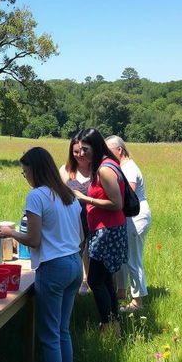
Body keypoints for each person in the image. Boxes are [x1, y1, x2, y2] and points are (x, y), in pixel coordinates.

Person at [0, 147, 84, 362]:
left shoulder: (37, 196)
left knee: (49, 335)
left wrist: (10, 232)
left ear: (35, 169)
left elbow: (33, 239)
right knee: (62, 331)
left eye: (25, 172)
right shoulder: (68, 194)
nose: (25, 177)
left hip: (54, 268)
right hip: (74, 264)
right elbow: (80, 237)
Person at [71, 128, 127, 336]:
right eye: (79, 150)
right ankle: (114, 326)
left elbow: (116, 203)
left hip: (108, 232)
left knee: (95, 280)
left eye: (86, 149)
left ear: (95, 146)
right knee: (104, 280)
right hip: (106, 230)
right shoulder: (108, 164)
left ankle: (107, 326)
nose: (82, 154)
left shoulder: (104, 169)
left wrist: (85, 198)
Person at [105, 135, 152, 313]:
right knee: (125, 258)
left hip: (136, 216)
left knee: (133, 258)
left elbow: (128, 194)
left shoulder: (129, 168)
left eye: (109, 151)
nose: (106, 155)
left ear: (120, 150)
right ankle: (122, 292)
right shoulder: (122, 167)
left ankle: (138, 302)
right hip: (129, 216)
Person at [59, 133, 92, 295]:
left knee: (92, 255)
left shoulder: (98, 169)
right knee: (75, 254)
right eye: (75, 152)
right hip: (72, 221)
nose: (80, 155)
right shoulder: (65, 170)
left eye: (84, 150)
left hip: (95, 219)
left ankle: (89, 281)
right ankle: (75, 284)